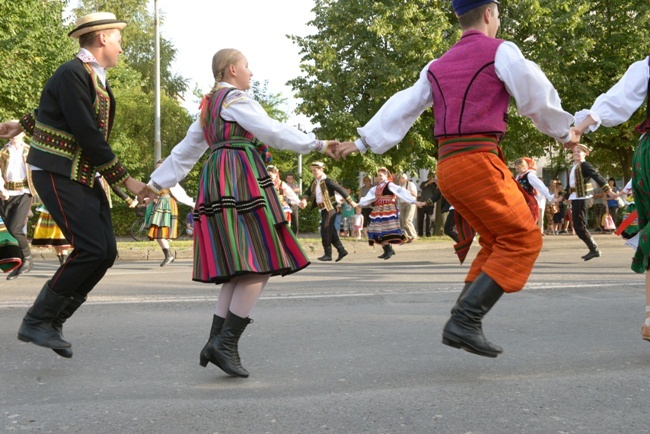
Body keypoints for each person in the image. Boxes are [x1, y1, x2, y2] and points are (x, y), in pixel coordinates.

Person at [334, 0, 577, 358]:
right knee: (523, 236)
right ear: (490, 13)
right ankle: (465, 319)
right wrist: (564, 132)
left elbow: (402, 106)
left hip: (447, 166)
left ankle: (464, 320)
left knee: (496, 240)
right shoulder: (501, 52)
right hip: (478, 161)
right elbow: (535, 97)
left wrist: (361, 142)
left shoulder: (436, 66)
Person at [142, 48, 338, 378]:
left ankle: (215, 341)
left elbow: (184, 153)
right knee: (259, 260)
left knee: (239, 268)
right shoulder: (235, 99)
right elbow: (272, 130)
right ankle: (225, 344)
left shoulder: (208, 106)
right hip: (240, 176)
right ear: (232, 69)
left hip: (217, 177)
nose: (251, 72)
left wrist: (154, 183)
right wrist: (317, 144)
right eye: (247, 66)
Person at [0, 12, 147, 359]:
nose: (122, 48)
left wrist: (19, 123)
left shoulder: (89, 77)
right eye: (119, 40)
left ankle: (53, 320)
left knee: (106, 251)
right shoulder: (73, 73)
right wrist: (124, 178)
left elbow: (55, 111)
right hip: (57, 172)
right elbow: (86, 131)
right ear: (101, 40)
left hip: (80, 173)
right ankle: (37, 320)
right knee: (91, 249)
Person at [571, 55, 650, 341]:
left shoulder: (647, 65)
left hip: (646, 157)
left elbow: (618, 98)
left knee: (648, 232)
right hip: (639, 165)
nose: (577, 155)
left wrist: (579, 128)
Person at [359, 167, 424, 259]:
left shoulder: (390, 185)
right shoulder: (376, 187)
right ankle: (387, 250)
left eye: (381, 175)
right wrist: (359, 204)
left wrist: (415, 202)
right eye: (378, 176)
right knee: (377, 229)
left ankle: (388, 250)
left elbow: (402, 193)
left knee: (387, 229)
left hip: (388, 209)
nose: (379, 177)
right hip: (379, 209)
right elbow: (368, 197)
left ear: (386, 175)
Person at [300, 162, 357, 262]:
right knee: (331, 232)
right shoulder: (315, 182)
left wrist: (351, 202)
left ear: (321, 169)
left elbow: (341, 190)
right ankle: (341, 250)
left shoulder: (328, 181)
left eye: (315, 170)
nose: (313, 172)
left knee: (325, 230)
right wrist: (304, 199)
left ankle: (328, 254)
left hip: (330, 209)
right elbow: (308, 192)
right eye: (312, 170)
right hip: (323, 209)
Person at [565, 144, 613, 261]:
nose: (576, 153)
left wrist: (608, 190)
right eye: (574, 151)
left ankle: (594, 249)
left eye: (579, 151)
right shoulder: (574, 166)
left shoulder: (585, 165)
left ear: (585, 154)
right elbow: (570, 185)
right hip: (576, 197)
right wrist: (565, 196)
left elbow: (596, 176)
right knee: (577, 226)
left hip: (582, 197)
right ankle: (593, 249)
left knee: (579, 225)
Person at [145, 159, 195, 266]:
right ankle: (168, 255)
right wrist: (138, 200)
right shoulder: (155, 180)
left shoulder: (171, 180)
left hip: (166, 206)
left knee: (159, 232)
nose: (159, 170)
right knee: (156, 233)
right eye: (157, 168)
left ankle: (168, 255)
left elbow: (180, 194)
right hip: (159, 206)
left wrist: (192, 204)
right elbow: (146, 190)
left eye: (161, 167)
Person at [0, 131, 35, 279]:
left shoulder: (29, 150)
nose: (14, 135)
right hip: (6, 193)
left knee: (16, 228)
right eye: (11, 132)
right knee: (10, 229)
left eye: (17, 132)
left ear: (23, 134)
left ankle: (28, 259)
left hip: (24, 193)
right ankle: (19, 264)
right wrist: (1, 189)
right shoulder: (3, 151)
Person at [514, 157, 555, 229]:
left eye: (520, 167)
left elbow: (540, 186)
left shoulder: (530, 175)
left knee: (529, 220)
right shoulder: (518, 177)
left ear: (526, 166)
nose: (518, 170)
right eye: (517, 168)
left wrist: (549, 196)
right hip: (520, 200)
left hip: (529, 200)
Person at [396, 173, 418, 242]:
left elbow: (415, 194)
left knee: (407, 220)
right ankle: (407, 237)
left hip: (410, 204)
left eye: (400, 178)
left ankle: (413, 235)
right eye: (399, 178)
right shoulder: (399, 186)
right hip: (402, 204)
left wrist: (407, 191)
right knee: (403, 221)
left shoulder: (411, 184)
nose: (399, 180)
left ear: (404, 178)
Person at [417, 172, 437, 237]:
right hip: (422, 203)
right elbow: (421, 187)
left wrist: (435, 183)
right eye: (429, 177)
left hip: (430, 204)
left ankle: (428, 233)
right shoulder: (424, 183)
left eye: (432, 177)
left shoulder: (434, 185)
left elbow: (436, 192)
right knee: (420, 219)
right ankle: (420, 233)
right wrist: (428, 183)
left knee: (428, 219)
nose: (430, 178)